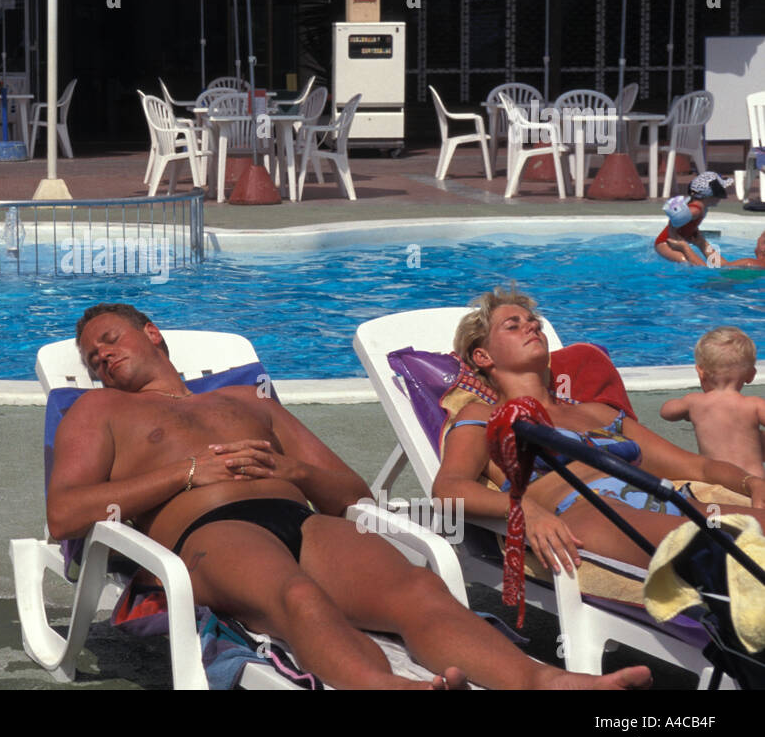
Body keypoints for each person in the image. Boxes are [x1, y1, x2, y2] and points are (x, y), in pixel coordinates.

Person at [50, 302, 652, 689]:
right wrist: (186, 474)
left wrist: (294, 470)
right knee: (298, 596)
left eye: (108, 339)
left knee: (418, 586)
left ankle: (543, 682)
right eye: (91, 356)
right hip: (213, 532)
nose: (100, 356)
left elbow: (351, 494)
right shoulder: (98, 408)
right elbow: (65, 514)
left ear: (152, 333)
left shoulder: (250, 402)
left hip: (302, 519)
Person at [437, 287, 765, 575]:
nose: (532, 326)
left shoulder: (597, 412)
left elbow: (698, 467)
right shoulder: (485, 415)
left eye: (533, 322)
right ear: (483, 355)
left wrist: (752, 483)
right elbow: (449, 488)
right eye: (514, 325)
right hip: (593, 514)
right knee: (727, 549)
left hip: (667, 503)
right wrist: (522, 509)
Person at [660, 327, 765, 479]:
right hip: (754, 481)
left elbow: (666, 412)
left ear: (700, 372)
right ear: (751, 375)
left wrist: (684, 407)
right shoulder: (754, 405)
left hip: (717, 480)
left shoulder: (694, 402)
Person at [655, 171, 732, 265]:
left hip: (677, 241)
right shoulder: (696, 210)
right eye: (722, 191)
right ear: (712, 194)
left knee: (708, 264)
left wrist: (693, 231)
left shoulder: (700, 207)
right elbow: (673, 222)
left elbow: (684, 222)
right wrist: (677, 241)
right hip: (665, 243)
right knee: (691, 265)